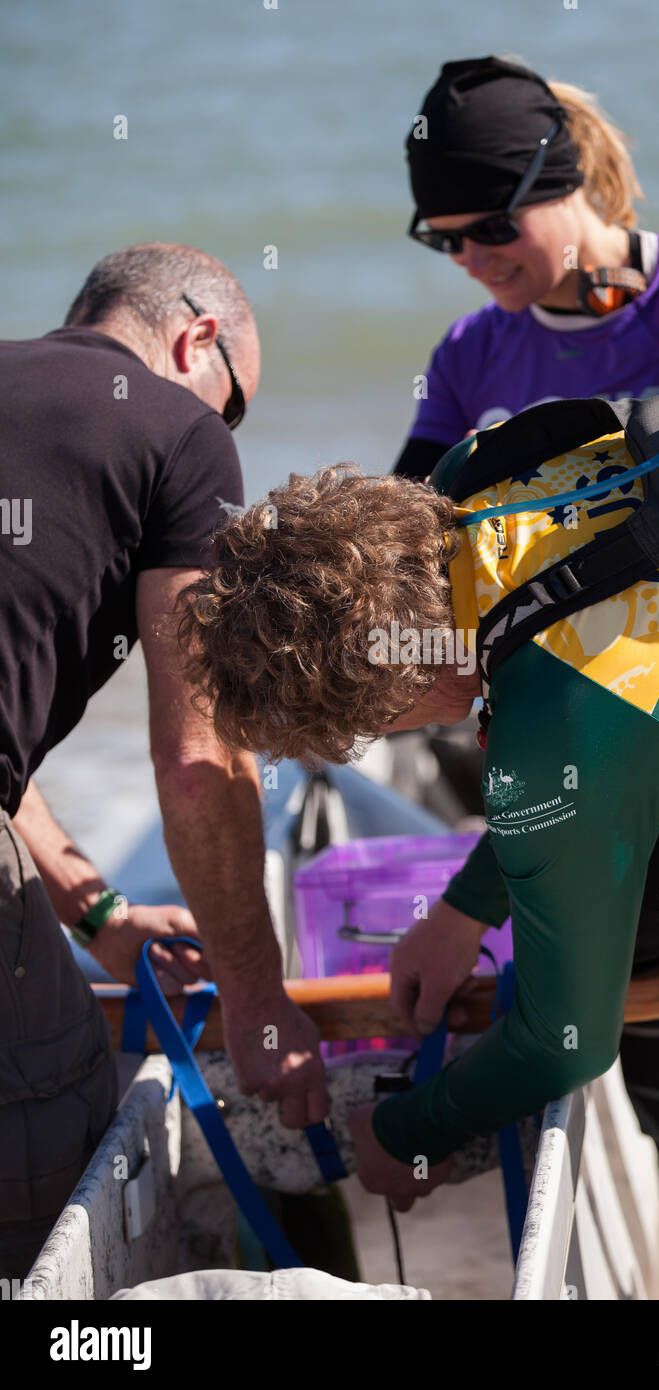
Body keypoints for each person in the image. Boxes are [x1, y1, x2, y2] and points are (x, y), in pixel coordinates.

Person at [176, 359, 659, 1287]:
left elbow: (569, 1039)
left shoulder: (567, 716)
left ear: (397, 683)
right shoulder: (473, 479)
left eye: (371, 724)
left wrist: (410, 1130)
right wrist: (463, 909)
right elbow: (583, 752)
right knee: (634, 921)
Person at [391, 55, 659, 1300]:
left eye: (492, 225)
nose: (473, 255)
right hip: (602, 788)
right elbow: (395, 545)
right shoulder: (471, 353)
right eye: (442, 237)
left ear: (570, 178)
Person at [0, 244, 328, 1280]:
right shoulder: (177, 432)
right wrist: (259, 1000)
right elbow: (197, 752)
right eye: (233, 406)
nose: (224, 432)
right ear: (197, 339)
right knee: (61, 1151)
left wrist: (96, 912)